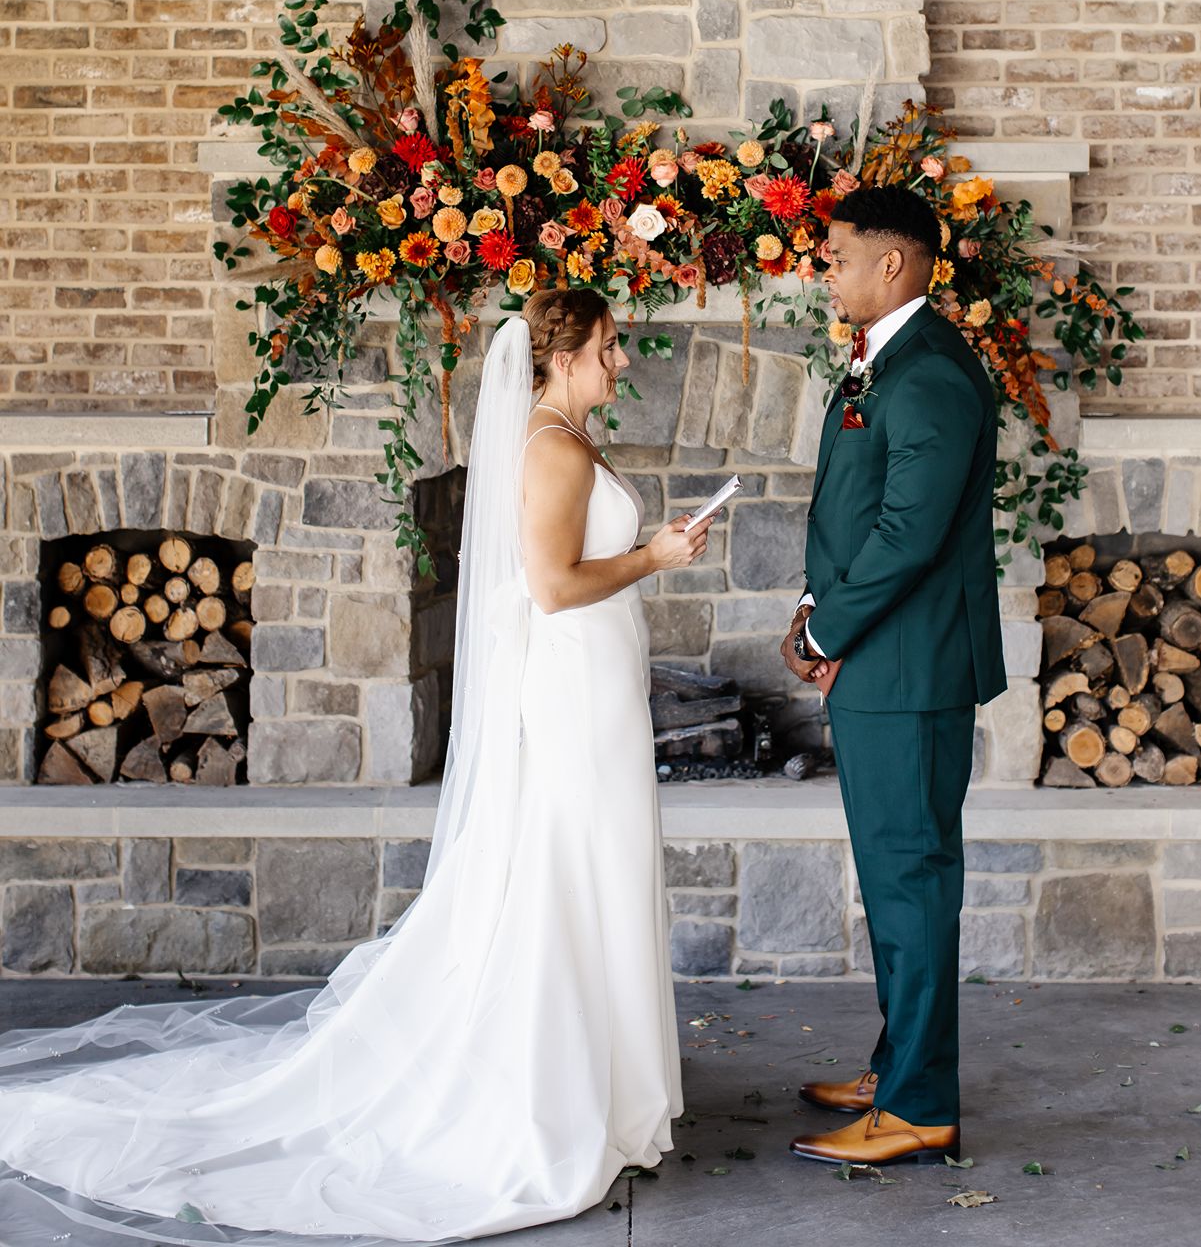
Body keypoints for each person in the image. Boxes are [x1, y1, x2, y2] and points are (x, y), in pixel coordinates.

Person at [0, 290, 715, 1246]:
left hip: (596, 688)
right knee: (570, 874)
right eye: (608, 346)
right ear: (563, 356)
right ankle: (555, 1100)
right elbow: (550, 589)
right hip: (574, 693)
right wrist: (654, 557)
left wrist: (642, 557)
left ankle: (603, 1086)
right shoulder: (549, 445)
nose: (621, 360)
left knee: (598, 872)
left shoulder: (565, 437)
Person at [780, 185, 1005, 1170]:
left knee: (910, 884)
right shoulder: (892, 360)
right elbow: (856, 509)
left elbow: (907, 532)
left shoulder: (928, 379)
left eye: (835, 257)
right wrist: (814, 612)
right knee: (895, 878)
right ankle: (897, 1064)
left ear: (895, 264)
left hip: (907, 668)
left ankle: (918, 1106)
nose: (823, 271)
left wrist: (826, 629)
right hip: (880, 657)